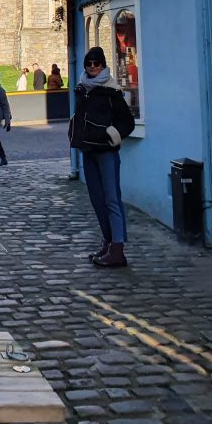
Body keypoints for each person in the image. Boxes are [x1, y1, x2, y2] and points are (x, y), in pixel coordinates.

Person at [68, 46, 135, 268]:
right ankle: (108, 242)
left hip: (106, 152)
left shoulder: (112, 90)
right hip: (88, 150)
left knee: (112, 199)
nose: (93, 67)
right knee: (97, 200)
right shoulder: (82, 88)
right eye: (89, 64)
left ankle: (118, 249)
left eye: (97, 63)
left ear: (103, 65)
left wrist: (113, 134)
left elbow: (127, 122)